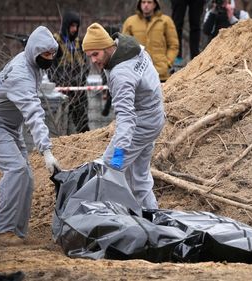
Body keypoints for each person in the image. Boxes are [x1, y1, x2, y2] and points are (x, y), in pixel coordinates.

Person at [0, 26, 61, 246]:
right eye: (45, 55)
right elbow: (33, 111)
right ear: (35, 52)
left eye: (52, 54)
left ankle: (17, 232)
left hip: (10, 126)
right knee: (16, 169)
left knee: (27, 176)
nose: (49, 58)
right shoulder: (21, 74)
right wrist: (46, 151)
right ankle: (2, 230)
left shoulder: (32, 62)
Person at [82, 23, 165, 209]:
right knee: (139, 178)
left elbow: (126, 118)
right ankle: (152, 219)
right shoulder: (132, 48)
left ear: (106, 46)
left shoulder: (121, 74)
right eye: (89, 56)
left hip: (141, 123)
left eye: (96, 54)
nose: (93, 60)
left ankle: (107, 222)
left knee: (108, 172)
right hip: (154, 117)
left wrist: (118, 156)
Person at [48, 10, 90, 133]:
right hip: (64, 91)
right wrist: (61, 83)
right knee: (63, 128)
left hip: (79, 92)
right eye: (72, 26)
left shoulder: (78, 43)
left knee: (83, 126)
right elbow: (51, 68)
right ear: (66, 25)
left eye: (76, 26)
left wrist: (80, 82)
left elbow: (85, 66)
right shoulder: (56, 43)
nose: (74, 29)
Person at [122, 0, 179, 82]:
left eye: (149, 2)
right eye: (143, 2)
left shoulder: (165, 21)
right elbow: (124, 46)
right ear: (139, 4)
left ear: (155, 4)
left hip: (160, 73)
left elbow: (174, 45)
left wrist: (167, 63)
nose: (146, 5)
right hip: (137, 73)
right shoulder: (130, 22)